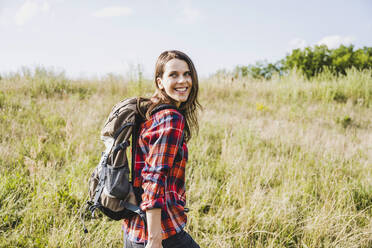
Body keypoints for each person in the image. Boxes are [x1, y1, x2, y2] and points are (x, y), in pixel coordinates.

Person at [123, 50, 201, 248]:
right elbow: (154, 177)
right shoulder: (171, 118)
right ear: (160, 82)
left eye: (187, 73)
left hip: (134, 230)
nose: (183, 81)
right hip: (162, 233)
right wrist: (154, 239)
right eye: (173, 75)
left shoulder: (150, 111)